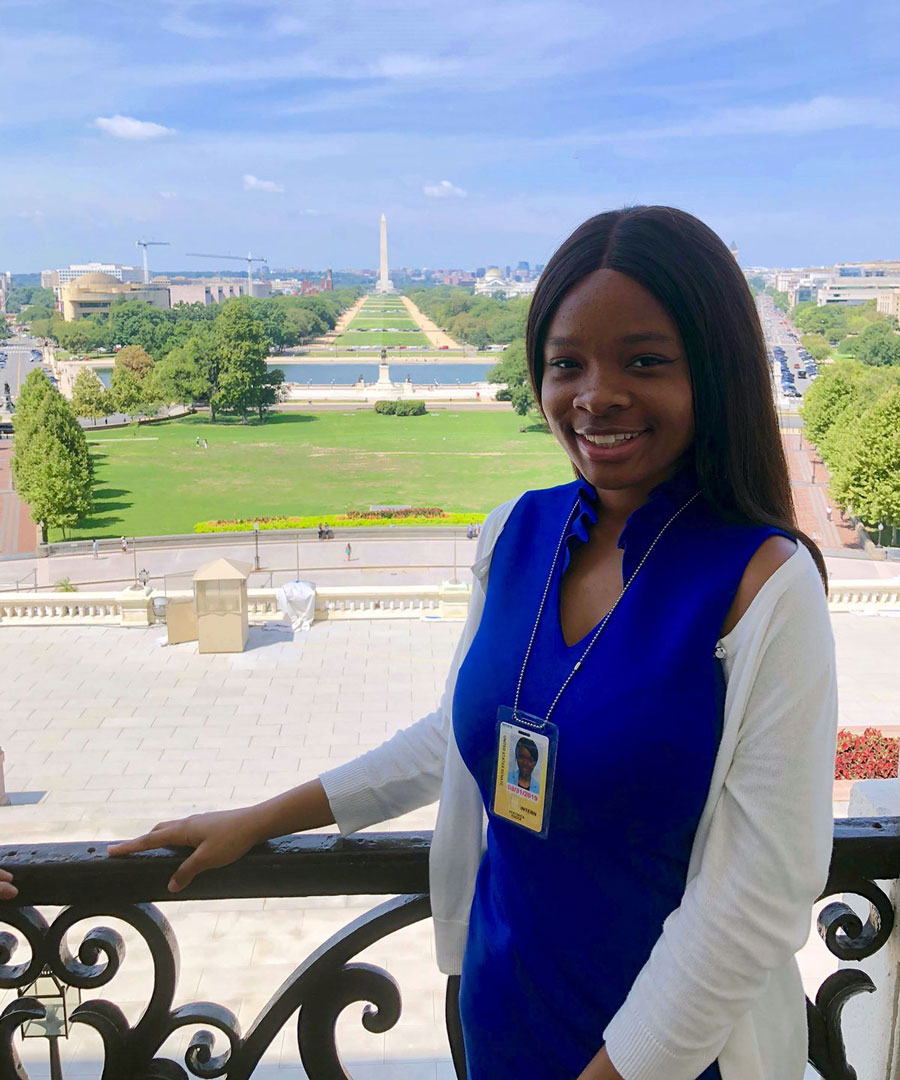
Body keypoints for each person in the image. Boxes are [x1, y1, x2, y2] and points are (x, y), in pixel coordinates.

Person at [37, 207, 836, 1080]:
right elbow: (465, 736)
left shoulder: (765, 584)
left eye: (645, 361)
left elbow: (756, 896)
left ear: (711, 373)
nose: (595, 394)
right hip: (505, 1009)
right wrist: (264, 818)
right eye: (566, 362)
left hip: (672, 1052)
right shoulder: (515, 532)